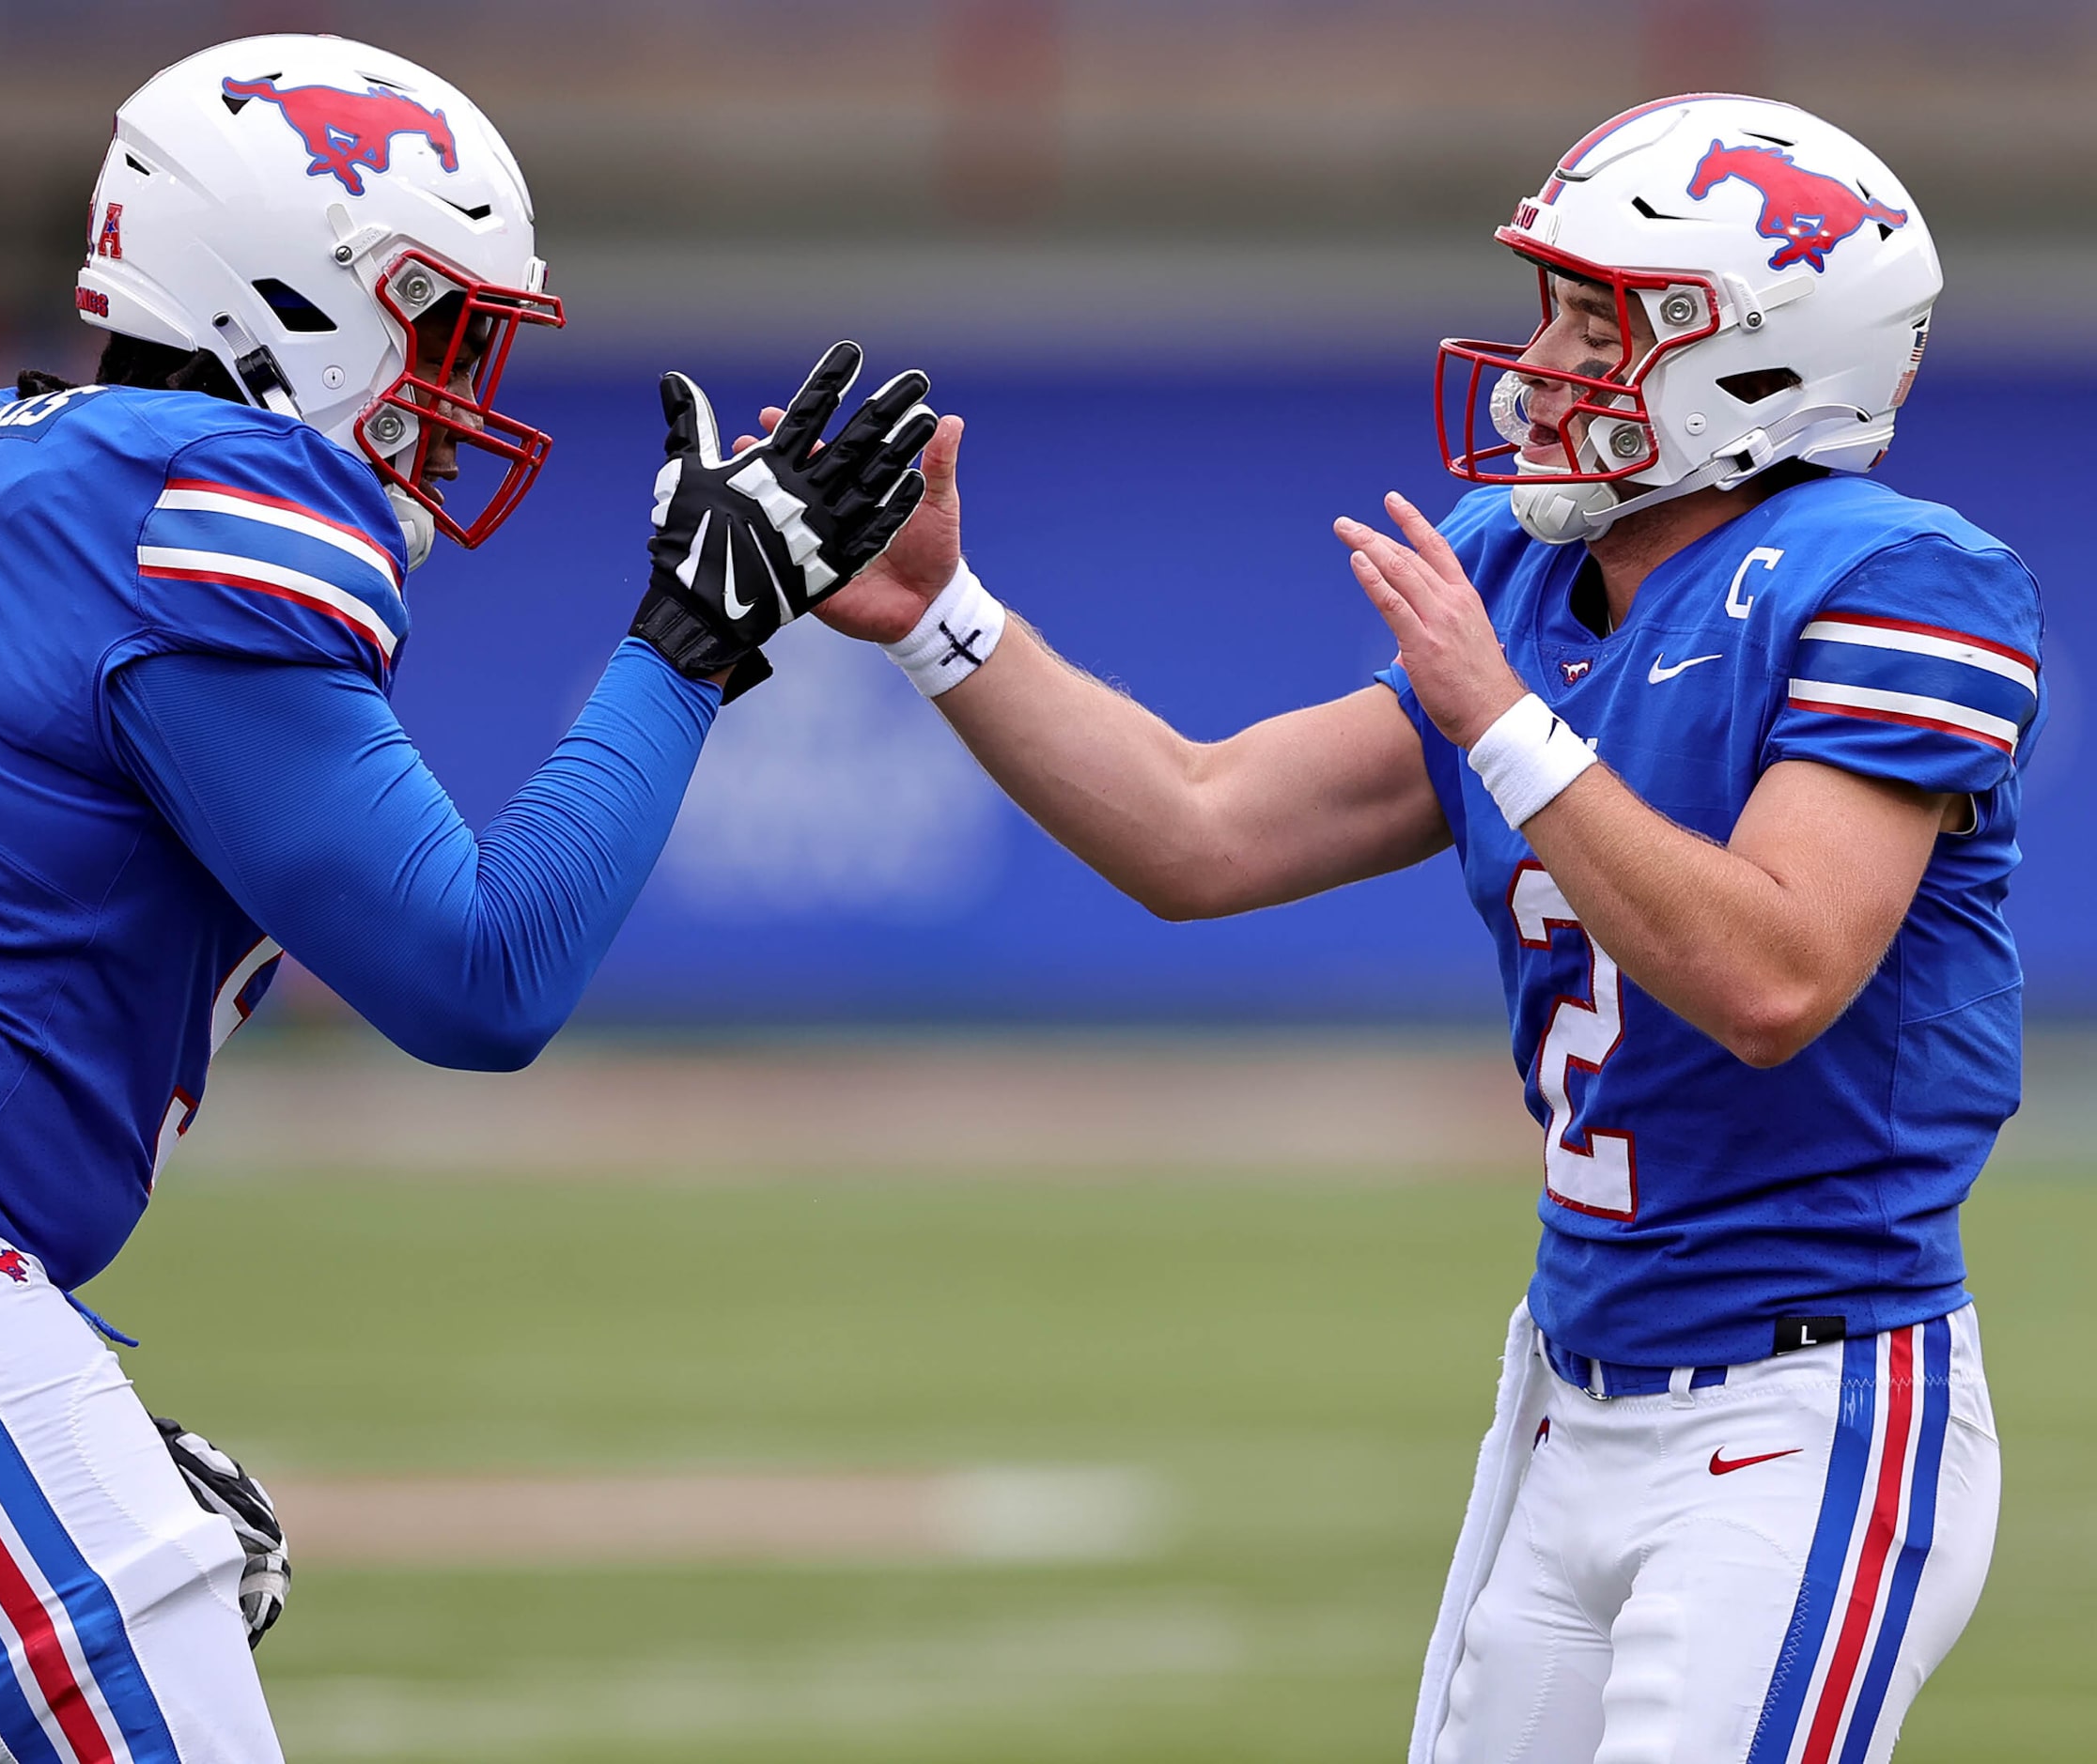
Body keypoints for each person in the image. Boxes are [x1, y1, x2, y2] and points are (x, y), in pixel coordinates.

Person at [0, 32, 930, 1763]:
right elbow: (477, 972)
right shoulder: (213, 493)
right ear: (289, 292)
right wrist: (694, 637)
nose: (458, 386)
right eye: (442, 328)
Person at [815, 94, 2037, 1761]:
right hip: (1564, 1390)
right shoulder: (1533, 576)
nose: (1542, 360)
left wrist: (1513, 729)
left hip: (1804, 1399)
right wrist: (936, 623)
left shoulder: (1897, 581)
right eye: (1552, 308)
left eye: (1599, 320)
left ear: (1756, 363)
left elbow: (1774, 975)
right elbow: (1203, 828)